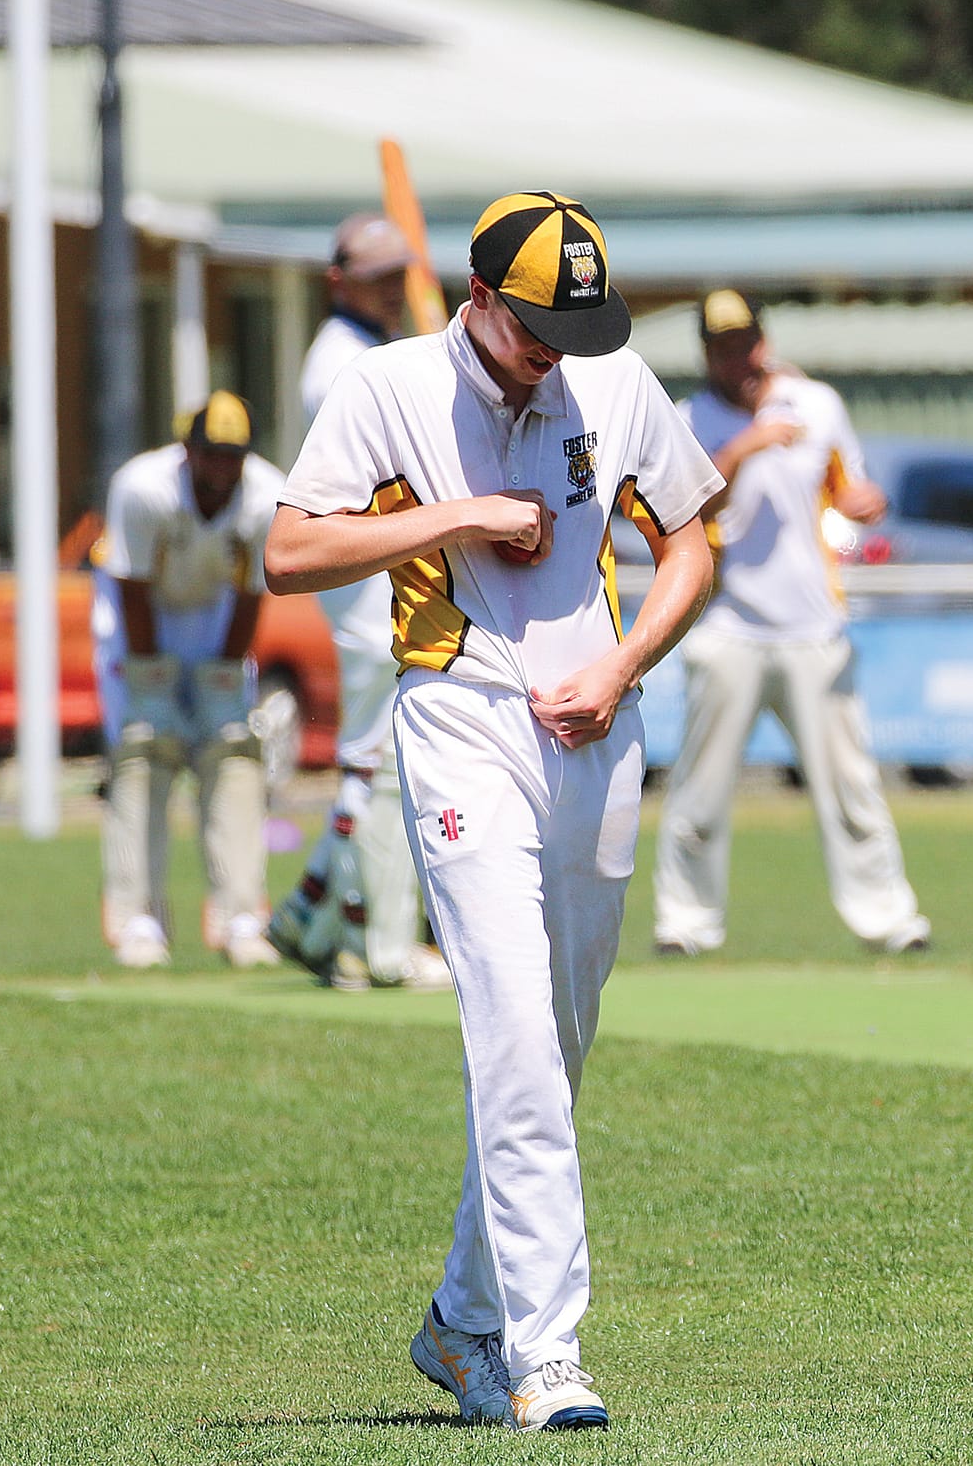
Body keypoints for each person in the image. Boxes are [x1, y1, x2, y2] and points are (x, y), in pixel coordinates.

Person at [264, 190, 723, 1431]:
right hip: (460, 718)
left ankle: (460, 1321)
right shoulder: (387, 386)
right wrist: (458, 515)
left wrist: (622, 669)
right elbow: (289, 553)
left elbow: (692, 542)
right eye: (535, 331)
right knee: (513, 1033)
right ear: (477, 298)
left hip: (600, 728)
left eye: (577, 330)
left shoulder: (612, 379)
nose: (557, 356)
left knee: (554, 1051)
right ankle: (545, 1355)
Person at [652, 290, 930, 957]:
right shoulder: (689, 419)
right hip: (728, 625)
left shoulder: (817, 403)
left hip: (814, 629)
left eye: (746, 344)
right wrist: (746, 444)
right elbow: (686, 508)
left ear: (764, 342)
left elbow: (846, 487)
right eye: (724, 348)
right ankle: (684, 924)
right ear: (706, 355)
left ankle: (888, 919)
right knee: (700, 789)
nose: (740, 359)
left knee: (851, 785)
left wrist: (863, 502)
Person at [266, 211, 450, 992]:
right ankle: (376, 942)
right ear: (338, 281)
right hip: (371, 577)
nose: (390, 291)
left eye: (396, 276)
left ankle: (310, 916)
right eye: (376, 279)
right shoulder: (342, 364)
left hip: (386, 571)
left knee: (372, 760)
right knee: (384, 758)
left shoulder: (373, 350)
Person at [97, 391, 287, 970]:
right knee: (144, 751)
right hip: (137, 620)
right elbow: (132, 589)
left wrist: (223, 673)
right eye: (212, 455)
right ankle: (138, 917)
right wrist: (151, 681)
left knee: (234, 753)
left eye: (233, 457)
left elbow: (252, 595)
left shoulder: (267, 496)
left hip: (215, 617)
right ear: (188, 450)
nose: (221, 469)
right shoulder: (142, 487)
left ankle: (240, 916)